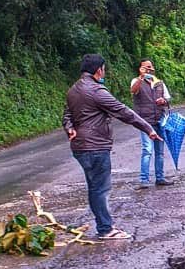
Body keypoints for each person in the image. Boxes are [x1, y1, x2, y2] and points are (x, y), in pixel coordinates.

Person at [62, 54, 162, 241]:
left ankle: (103, 224)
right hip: (95, 146)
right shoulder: (97, 91)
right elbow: (123, 111)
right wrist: (148, 128)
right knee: (100, 188)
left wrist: (69, 128)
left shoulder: (73, 90)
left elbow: (67, 114)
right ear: (99, 70)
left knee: (94, 187)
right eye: (104, 69)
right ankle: (106, 229)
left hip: (80, 147)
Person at [129, 59, 173, 187]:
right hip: (145, 121)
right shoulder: (136, 81)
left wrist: (163, 101)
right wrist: (141, 78)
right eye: (145, 67)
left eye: (150, 67)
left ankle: (160, 177)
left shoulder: (159, 83)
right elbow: (133, 91)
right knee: (147, 150)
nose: (148, 69)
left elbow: (168, 98)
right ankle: (144, 180)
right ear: (140, 68)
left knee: (160, 151)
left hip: (160, 119)